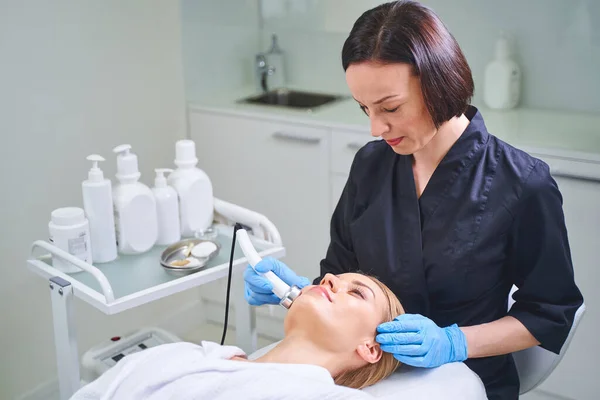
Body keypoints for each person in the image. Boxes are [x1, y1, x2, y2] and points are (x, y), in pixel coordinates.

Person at [243, 1, 584, 399]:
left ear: (439, 84)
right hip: (363, 376)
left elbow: (548, 314)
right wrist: (302, 294)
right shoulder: (370, 165)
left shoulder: (523, 183)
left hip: (464, 379)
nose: (375, 127)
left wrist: (454, 342)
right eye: (365, 109)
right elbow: (339, 271)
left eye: (390, 108)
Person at [70, 273, 404, 399]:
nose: (329, 277)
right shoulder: (183, 355)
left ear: (371, 348)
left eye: (357, 293)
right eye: (333, 277)